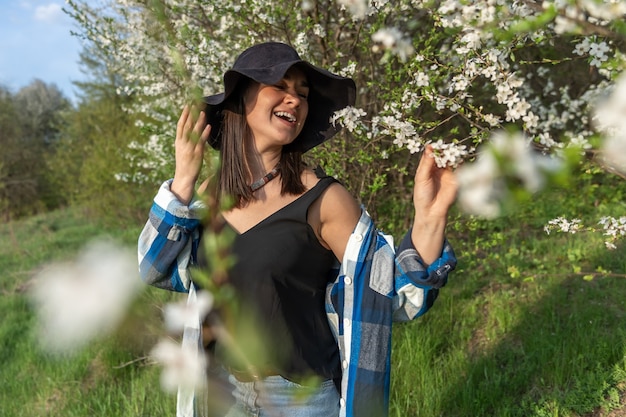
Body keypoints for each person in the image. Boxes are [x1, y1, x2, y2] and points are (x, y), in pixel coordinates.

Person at [138, 42, 457, 417]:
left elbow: (390, 292)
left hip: (300, 399)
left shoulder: (325, 199)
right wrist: (182, 183)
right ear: (241, 99)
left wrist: (430, 217)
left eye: (302, 94)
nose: (295, 100)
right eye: (281, 86)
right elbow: (155, 268)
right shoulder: (209, 195)